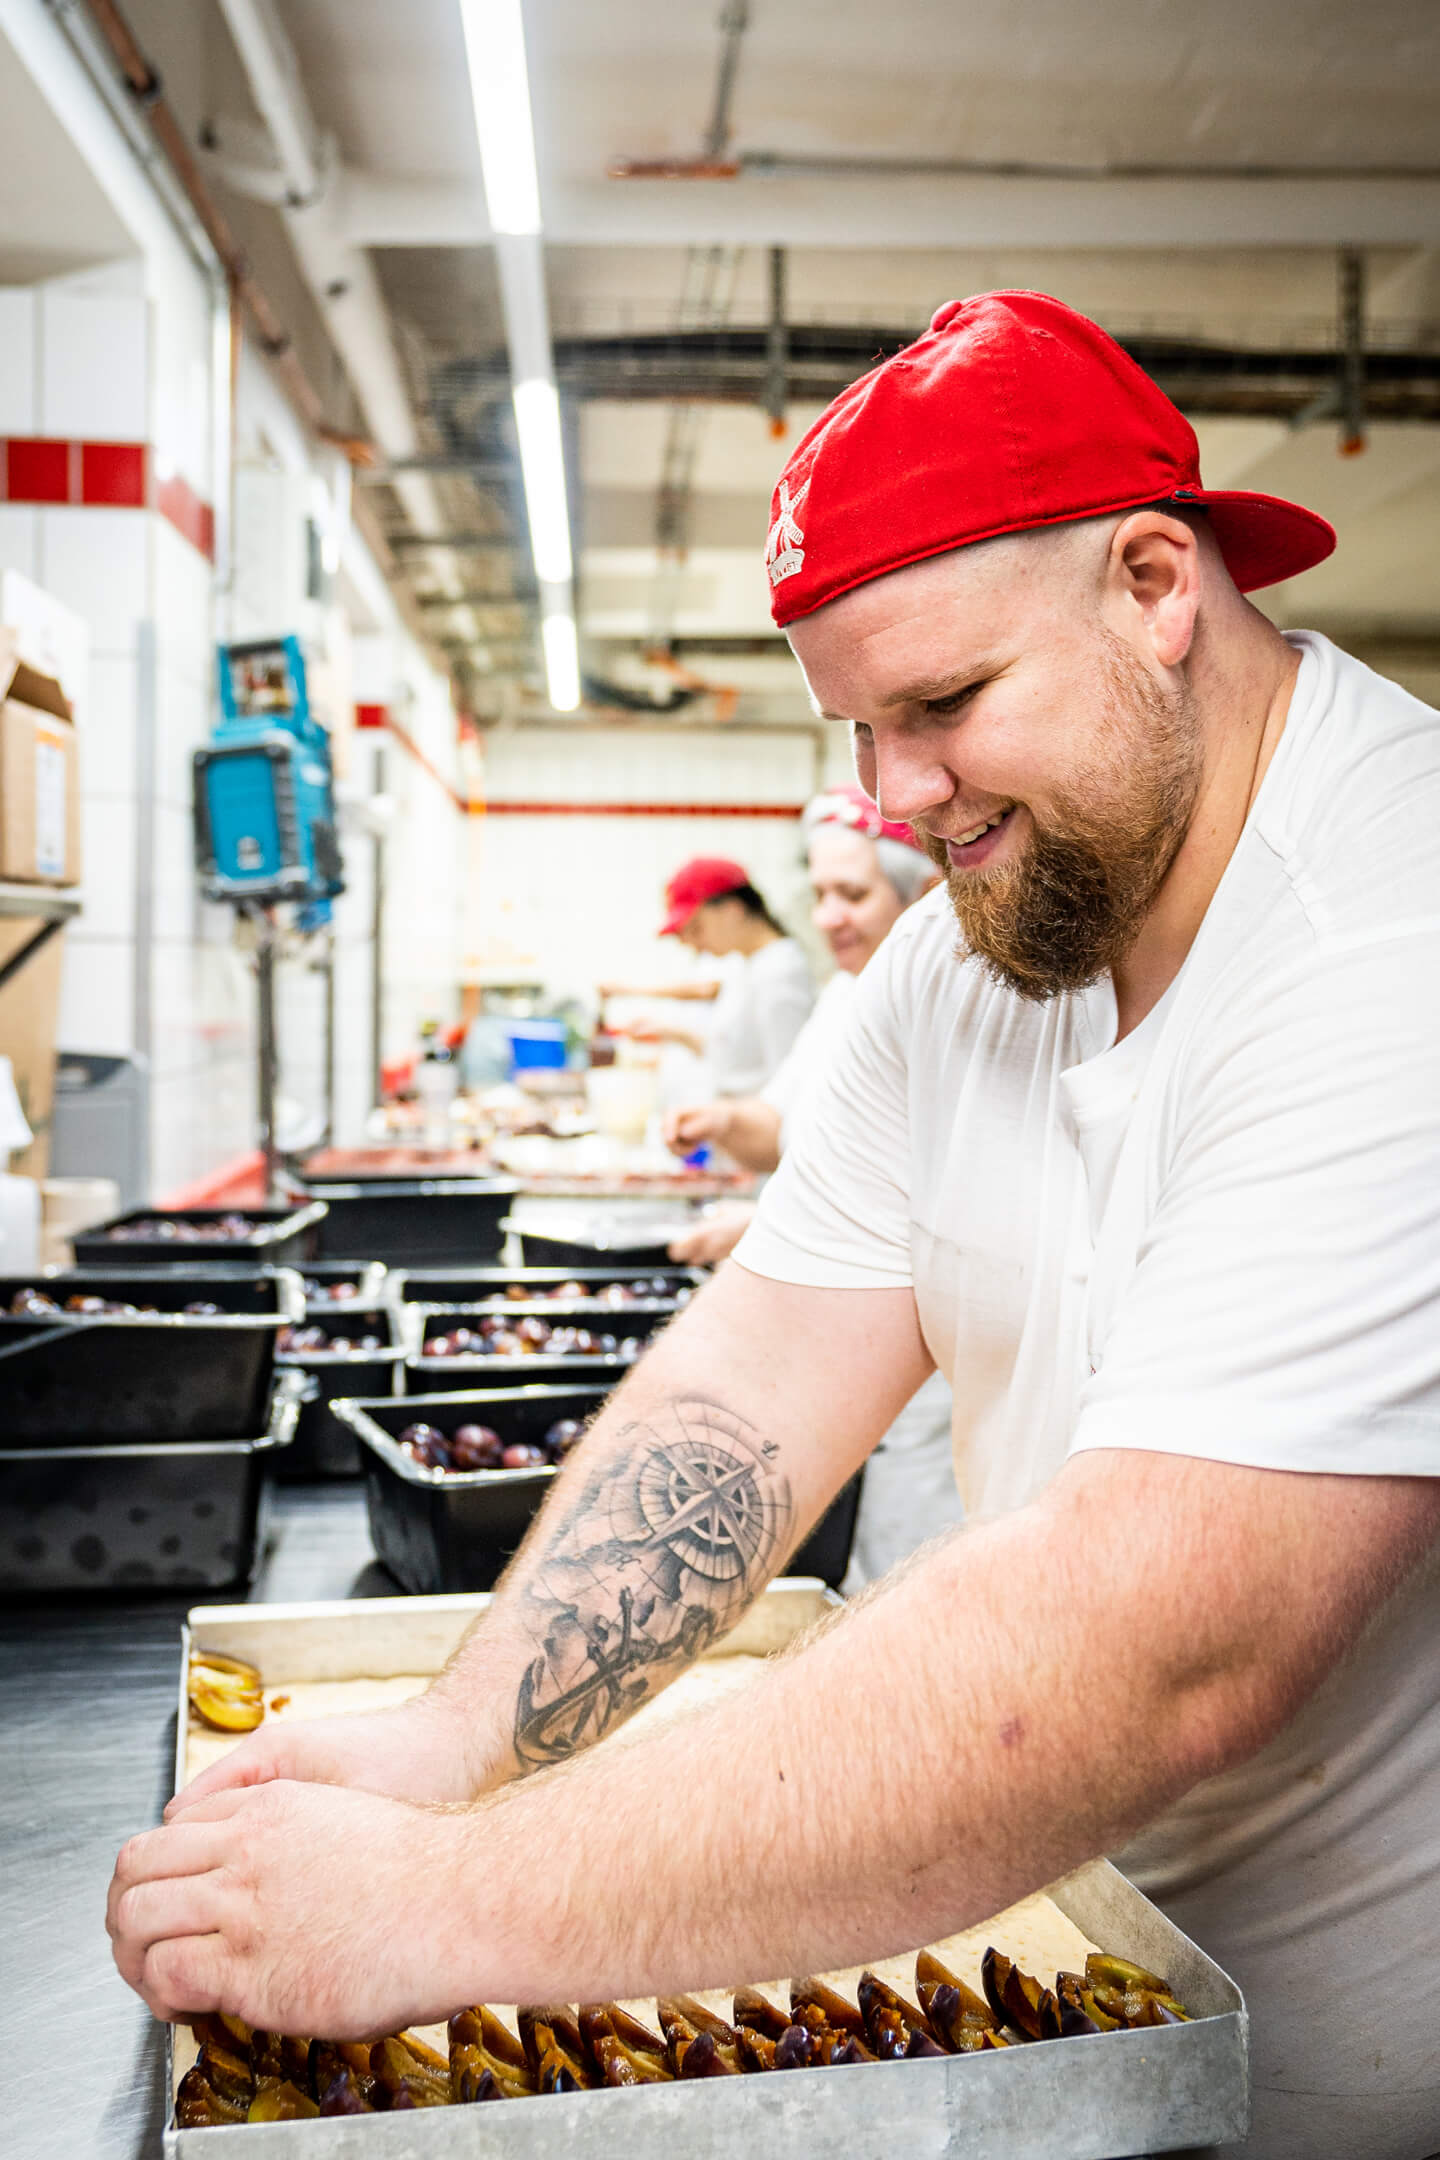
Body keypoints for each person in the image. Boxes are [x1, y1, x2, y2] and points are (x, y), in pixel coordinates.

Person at [108, 293, 1440, 2160]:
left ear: (1156, 583)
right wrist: (457, 1740)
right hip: (1041, 1972)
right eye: (860, 727)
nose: (894, 803)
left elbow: (1159, 1641)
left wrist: (442, 1901)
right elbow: (750, 1389)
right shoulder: (975, 950)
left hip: (1352, 2076)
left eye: (945, 705)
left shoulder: (1396, 940)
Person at [663, 787, 961, 1587]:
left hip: (919, 1369)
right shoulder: (843, 991)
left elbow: (920, 1202)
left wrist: (761, 1227)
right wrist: (724, 1117)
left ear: (926, 890)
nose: (828, 916)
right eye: (820, 893)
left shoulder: (954, 1005)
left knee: (909, 1566)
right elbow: (780, 1128)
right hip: (834, 1347)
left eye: (853, 895)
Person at [600, 855, 814, 1096]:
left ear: (733, 911)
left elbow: (789, 1081)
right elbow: (734, 1055)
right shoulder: (746, 964)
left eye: (697, 929)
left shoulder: (780, 971)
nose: (692, 943)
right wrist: (674, 1034)